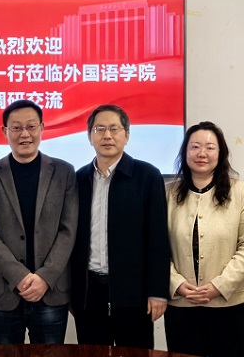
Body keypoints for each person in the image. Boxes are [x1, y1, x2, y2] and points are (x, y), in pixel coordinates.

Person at [0, 99, 78, 344]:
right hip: (3, 293)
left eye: (31, 126)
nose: (25, 134)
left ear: (42, 128)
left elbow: (68, 230)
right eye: (16, 128)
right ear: (5, 131)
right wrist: (19, 276)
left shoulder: (64, 172)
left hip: (50, 291)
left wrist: (44, 277)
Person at [71, 104, 170, 349]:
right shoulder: (79, 179)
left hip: (134, 294)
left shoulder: (147, 176)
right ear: (89, 136)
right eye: (99, 129)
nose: (107, 135)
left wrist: (157, 291)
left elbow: (158, 238)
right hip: (89, 293)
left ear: (126, 135)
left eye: (114, 129)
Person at [164, 121, 244, 357]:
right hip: (181, 305)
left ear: (221, 152)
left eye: (210, 147)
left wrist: (220, 285)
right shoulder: (167, 192)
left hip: (228, 304)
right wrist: (176, 283)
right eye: (195, 147)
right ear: (185, 152)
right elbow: (156, 247)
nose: (202, 153)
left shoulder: (240, 191)